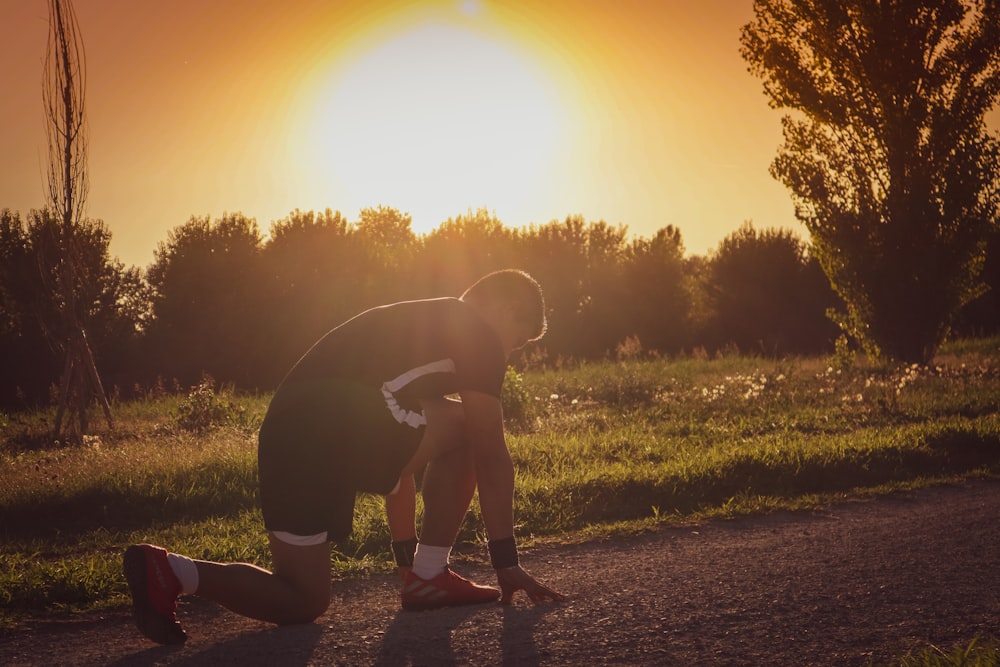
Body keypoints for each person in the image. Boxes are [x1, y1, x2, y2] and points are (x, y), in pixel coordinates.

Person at [123, 269, 564, 645]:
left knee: (302, 599)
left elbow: (401, 464)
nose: (510, 353)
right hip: (338, 418)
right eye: (519, 341)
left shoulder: (423, 328)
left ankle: (171, 572)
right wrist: (505, 560)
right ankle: (431, 575)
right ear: (506, 309)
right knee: (472, 426)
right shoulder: (478, 332)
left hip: (285, 432)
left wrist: (405, 559)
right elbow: (489, 448)